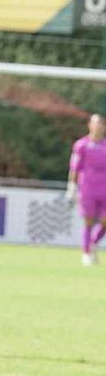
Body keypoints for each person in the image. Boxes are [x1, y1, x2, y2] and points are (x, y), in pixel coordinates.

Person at [66, 113, 106, 266]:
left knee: (104, 221)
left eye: (100, 123)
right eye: (95, 123)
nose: (98, 126)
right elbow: (74, 167)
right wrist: (72, 187)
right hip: (87, 188)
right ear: (89, 125)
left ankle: (93, 243)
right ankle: (86, 253)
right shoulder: (81, 145)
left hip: (104, 188)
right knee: (88, 221)